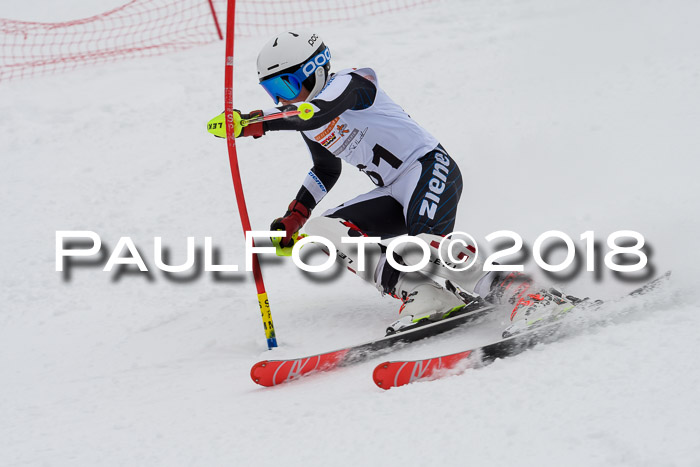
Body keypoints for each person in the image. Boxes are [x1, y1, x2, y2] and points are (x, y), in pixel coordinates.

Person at [208, 30, 578, 333]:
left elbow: (319, 111)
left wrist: (257, 121)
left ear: (314, 69)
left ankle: (527, 293)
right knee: (321, 231)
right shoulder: (305, 117)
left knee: (425, 245)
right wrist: (295, 216)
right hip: (391, 190)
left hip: (429, 168)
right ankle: (427, 295)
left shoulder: (353, 83)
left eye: (286, 88)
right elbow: (325, 169)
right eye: (272, 92)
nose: (282, 99)